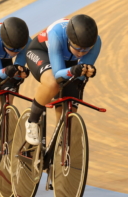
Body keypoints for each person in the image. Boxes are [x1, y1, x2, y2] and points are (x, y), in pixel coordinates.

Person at [24, 14, 100, 145]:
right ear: (69, 39)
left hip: (67, 63)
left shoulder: (96, 42)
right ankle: (32, 121)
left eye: (85, 50)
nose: (81, 53)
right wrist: (73, 70)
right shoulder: (57, 33)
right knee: (53, 83)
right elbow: (59, 74)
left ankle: (60, 144)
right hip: (41, 53)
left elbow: (80, 75)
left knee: (69, 110)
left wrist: (88, 71)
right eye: (77, 48)